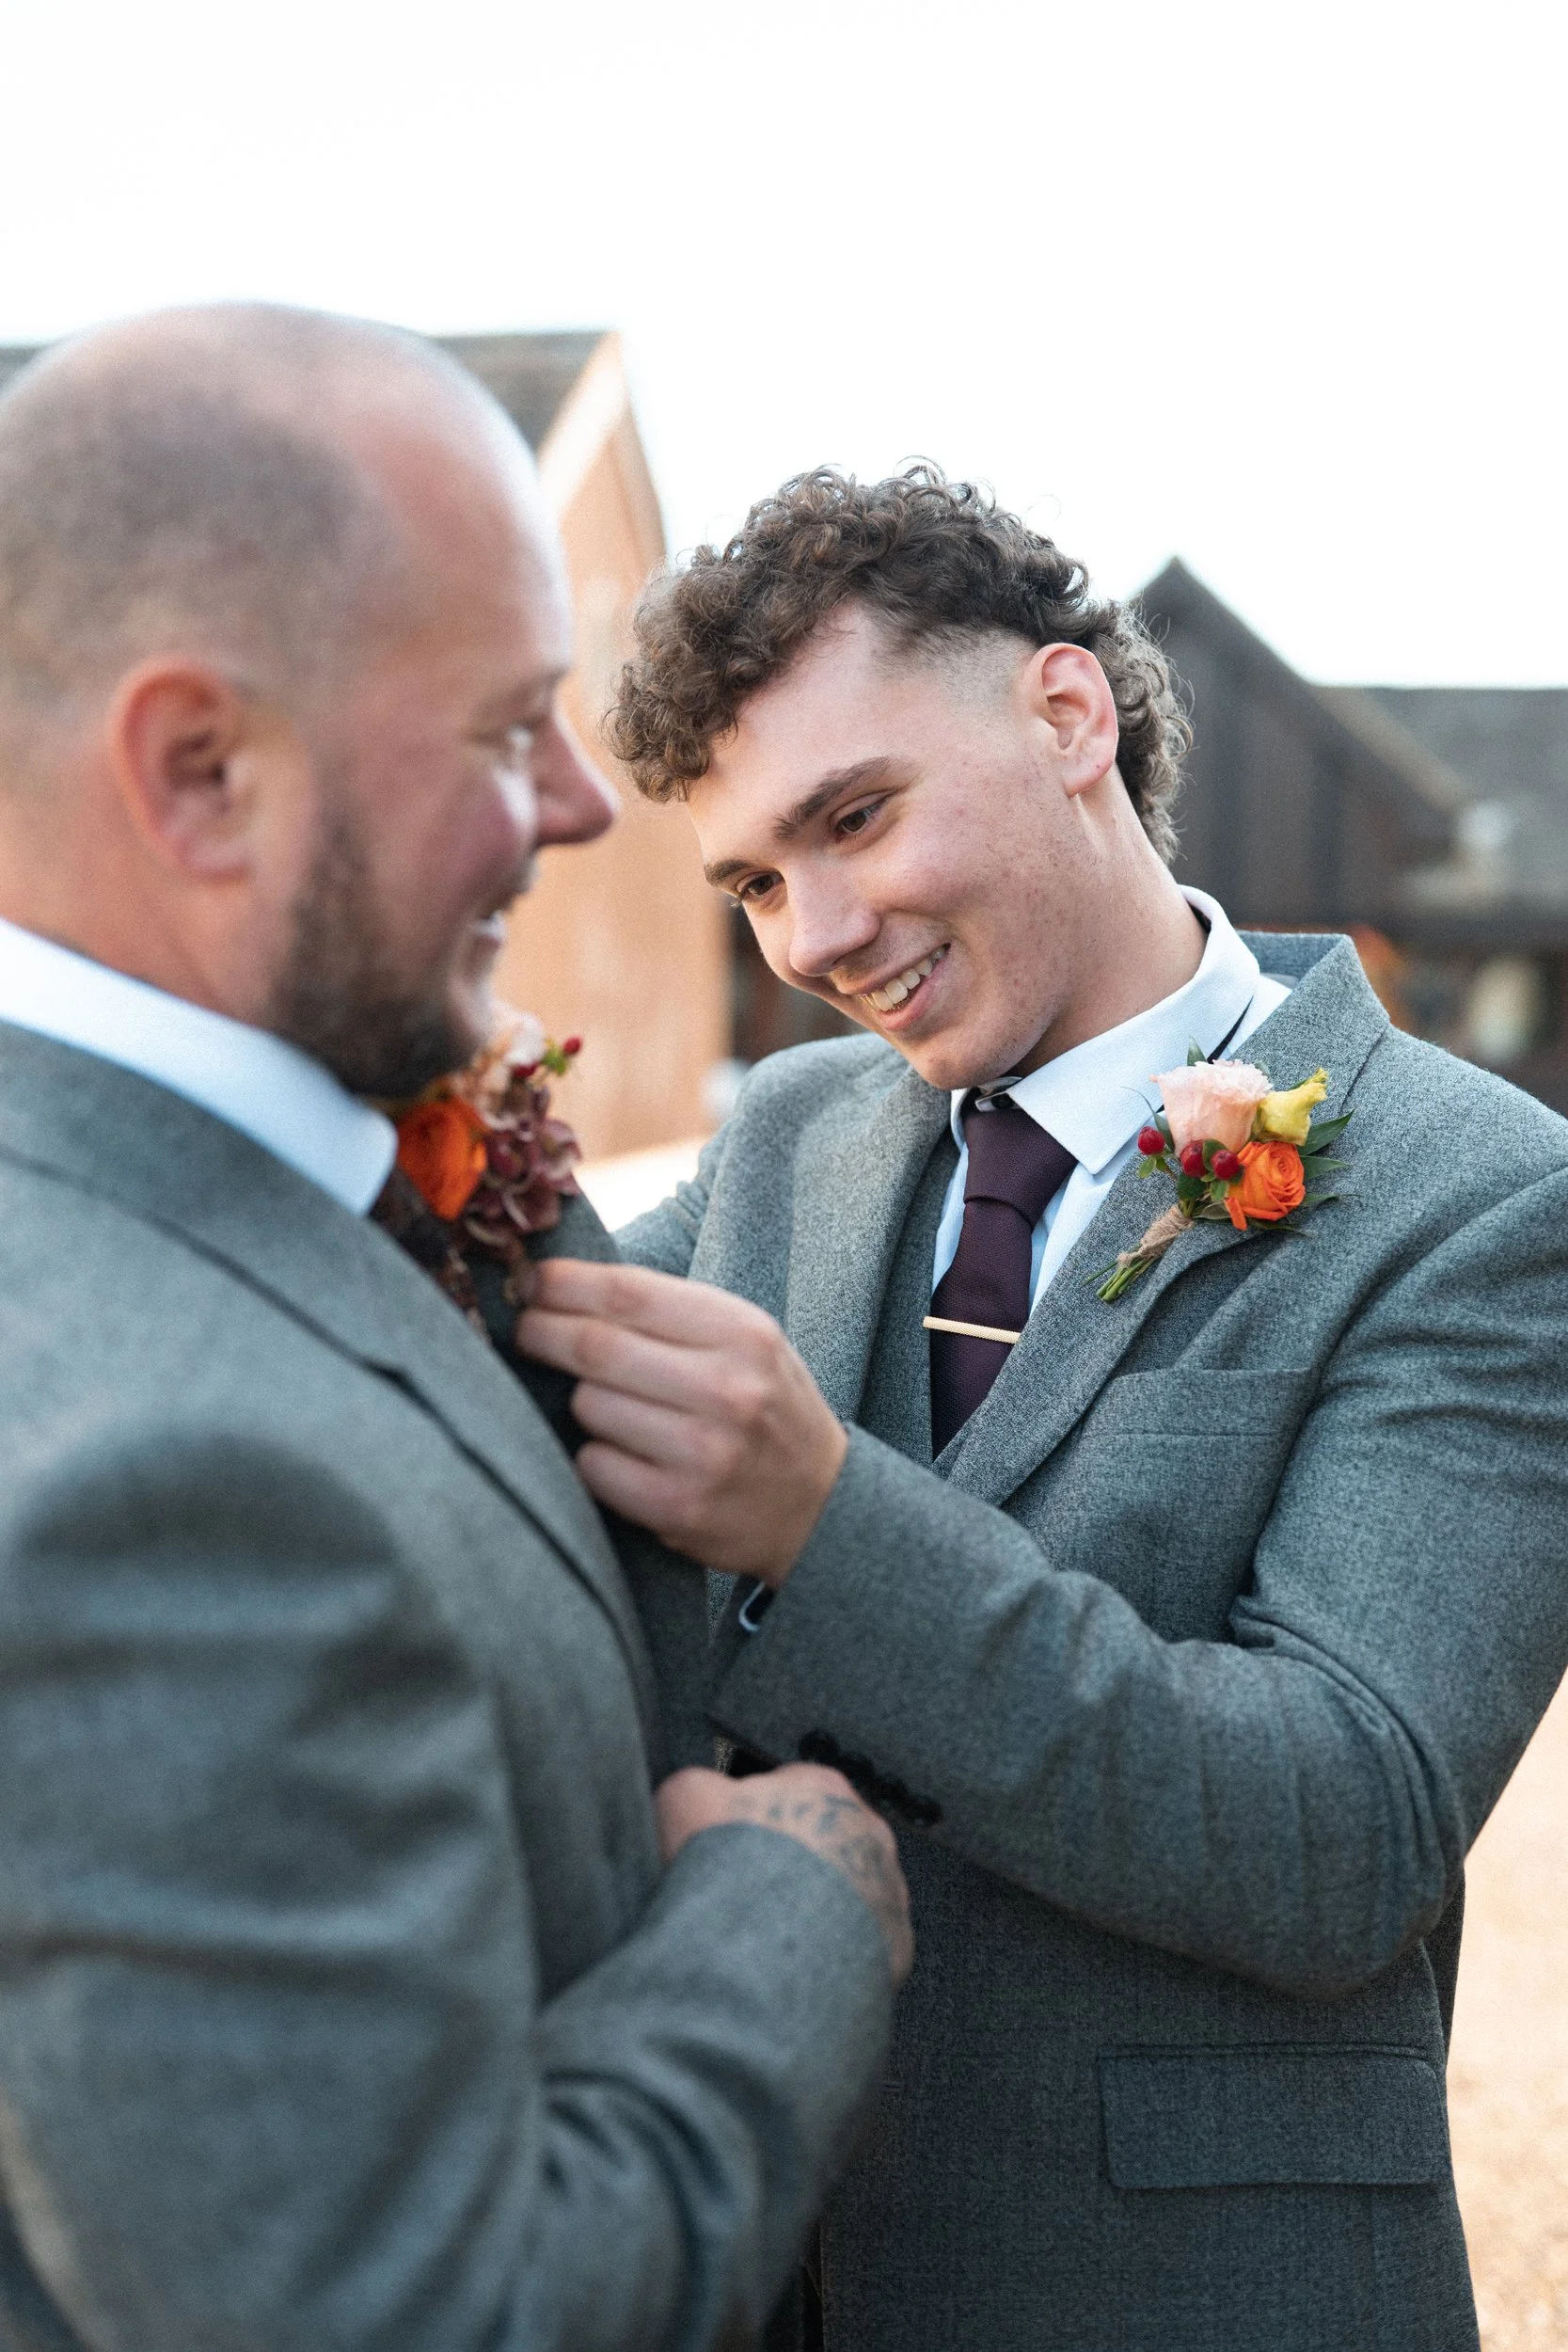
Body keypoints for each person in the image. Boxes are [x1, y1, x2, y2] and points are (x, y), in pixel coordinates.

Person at [515, 467, 1568, 2352]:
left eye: (851, 815)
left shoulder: (1478, 1198)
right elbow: (521, 1349)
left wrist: (823, 1518)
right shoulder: (785, 1139)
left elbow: (1338, 1830)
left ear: (1067, 714)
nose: (811, 933)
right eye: (752, 877)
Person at [0, 315, 912, 2352]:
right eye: (509, 730)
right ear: (197, 772)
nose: (591, 805)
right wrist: (786, 1909)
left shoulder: (294, 1156)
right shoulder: (143, 1483)